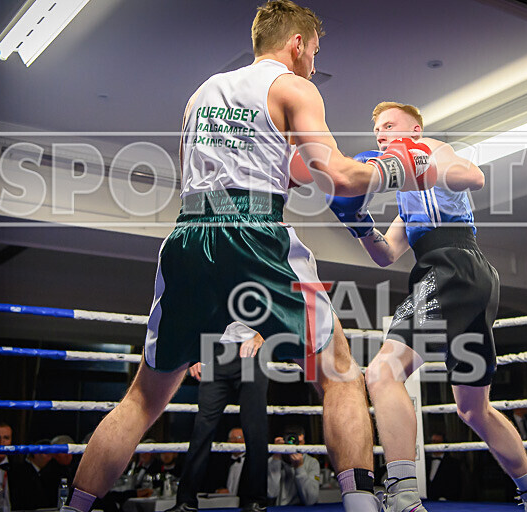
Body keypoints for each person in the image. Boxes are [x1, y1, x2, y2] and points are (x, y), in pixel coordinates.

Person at [61, 2, 436, 511]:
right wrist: (396, 168)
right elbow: (341, 178)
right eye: (314, 52)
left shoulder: (201, 95)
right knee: (340, 374)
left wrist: (308, 170)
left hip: (189, 234)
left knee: (142, 399)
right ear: (297, 44)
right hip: (255, 231)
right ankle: (363, 506)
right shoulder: (294, 87)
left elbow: (228, 172)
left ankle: (74, 508)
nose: (313, 65)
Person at [327, 101, 527, 512]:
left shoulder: (433, 150)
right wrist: (358, 222)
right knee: (473, 409)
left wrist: (419, 163)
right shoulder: (408, 197)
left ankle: (404, 494)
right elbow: (386, 254)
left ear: (415, 130)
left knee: (382, 372)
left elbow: (474, 176)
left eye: (390, 126)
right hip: (470, 278)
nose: (381, 135)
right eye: (377, 131)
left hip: (452, 267)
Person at [168, 336, 268, 512]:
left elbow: (277, 317)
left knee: (255, 429)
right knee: (202, 428)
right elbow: (197, 320)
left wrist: (259, 337)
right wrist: (193, 355)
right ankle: (186, 501)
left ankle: (256, 501)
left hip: (251, 353)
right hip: (214, 351)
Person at [267, 426, 320, 505]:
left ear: (304, 442)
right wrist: (276, 457)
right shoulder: (272, 461)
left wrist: (299, 468)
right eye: (290, 440)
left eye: (298, 441)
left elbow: (311, 500)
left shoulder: (312, 463)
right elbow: (271, 494)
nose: (294, 444)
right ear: (284, 441)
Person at [425, 433, 463, 501]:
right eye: (433, 442)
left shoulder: (453, 463)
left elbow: (456, 485)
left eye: (438, 442)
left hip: (445, 502)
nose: (435, 445)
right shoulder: (424, 461)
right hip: (426, 501)